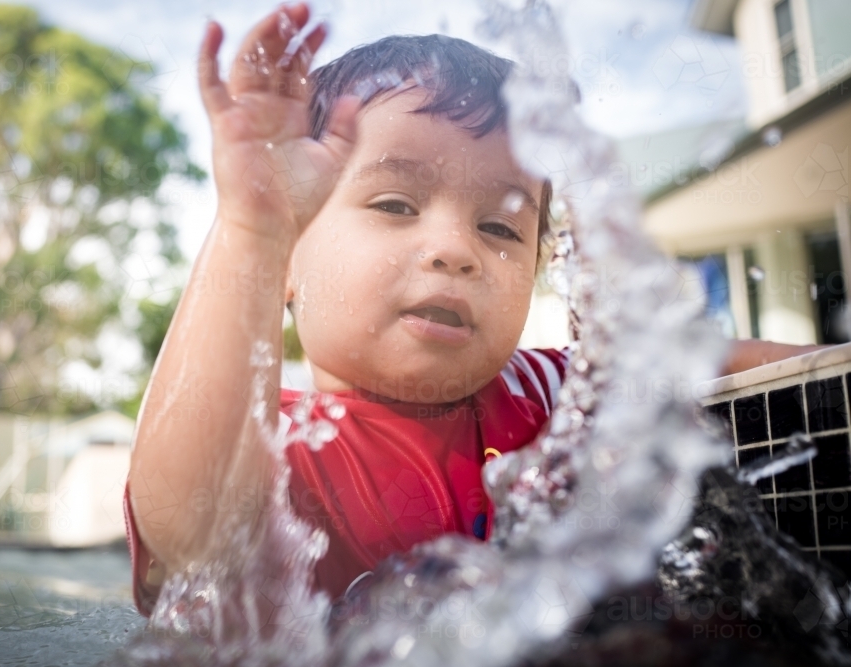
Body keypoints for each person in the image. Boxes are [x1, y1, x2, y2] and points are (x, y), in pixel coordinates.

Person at [124, 3, 821, 617]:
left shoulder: (556, 394)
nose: (457, 250)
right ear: (288, 259)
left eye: (500, 227)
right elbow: (191, 520)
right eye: (395, 205)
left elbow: (709, 360)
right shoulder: (275, 445)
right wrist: (253, 230)